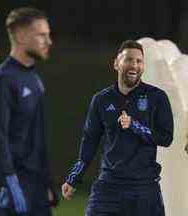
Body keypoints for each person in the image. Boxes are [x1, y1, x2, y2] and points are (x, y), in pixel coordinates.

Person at [62, 40, 174, 216]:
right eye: (129, 59)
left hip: (144, 188)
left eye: (139, 61)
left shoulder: (157, 97)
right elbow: (89, 142)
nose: (134, 65)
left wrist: (135, 126)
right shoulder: (101, 99)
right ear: (116, 63)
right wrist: (74, 177)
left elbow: (166, 138)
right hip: (109, 186)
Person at [0, 7, 58, 216]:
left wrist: (46, 181)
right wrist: (11, 183)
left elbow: (38, 138)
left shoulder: (35, 80)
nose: (48, 41)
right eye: (42, 35)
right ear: (21, 36)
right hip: (7, 187)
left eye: (48, 35)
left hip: (34, 185)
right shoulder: (1, 80)